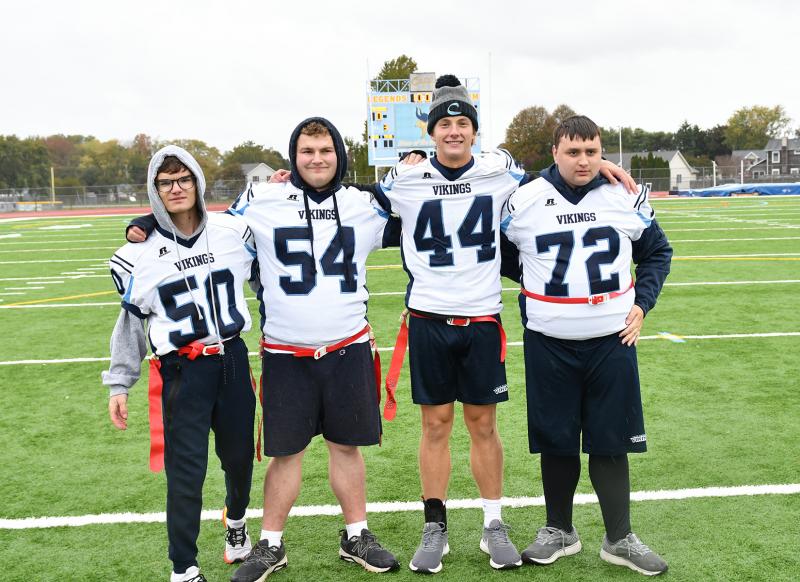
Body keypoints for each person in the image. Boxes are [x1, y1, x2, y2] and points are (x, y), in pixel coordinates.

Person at [374, 76, 638, 574]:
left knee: (484, 425)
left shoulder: (501, 172)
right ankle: (435, 527)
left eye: (463, 123)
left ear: (475, 132)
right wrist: (287, 182)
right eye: (444, 124)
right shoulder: (404, 179)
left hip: (481, 318)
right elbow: (348, 199)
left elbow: (553, 179)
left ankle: (493, 524)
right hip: (428, 317)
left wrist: (596, 168)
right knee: (435, 425)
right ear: (431, 133)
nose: (454, 131)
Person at [126, 118, 401, 580]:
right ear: (294, 155)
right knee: (285, 453)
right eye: (307, 150)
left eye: (326, 150)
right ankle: (271, 543)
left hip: (347, 346)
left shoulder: (363, 204)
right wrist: (149, 220)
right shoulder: (260, 199)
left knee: (347, 447)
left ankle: (357, 534)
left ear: (340, 155)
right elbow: (203, 224)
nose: (317, 158)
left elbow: (421, 209)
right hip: (285, 353)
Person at [501, 115, 672, 576]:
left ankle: (619, 537)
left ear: (603, 153)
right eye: (573, 152)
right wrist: (540, 286)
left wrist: (642, 303)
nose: (583, 160)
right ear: (554, 153)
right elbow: (500, 253)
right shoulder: (525, 198)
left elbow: (657, 252)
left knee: (611, 440)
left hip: (612, 339)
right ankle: (560, 529)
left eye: (592, 152)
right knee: (557, 440)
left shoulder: (623, 194)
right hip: (549, 342)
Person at [103, 145, 258, 582]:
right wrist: (120, 383)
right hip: (181, 370)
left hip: (230, 359)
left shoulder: (233, 232)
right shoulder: (135, 254)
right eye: (165, 182)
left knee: (239, 458)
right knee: (185, 471)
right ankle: (184, 568)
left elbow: (268, 277)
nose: (176, 188)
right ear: (154, 190)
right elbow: (130, 322)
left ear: (197, 182)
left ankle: (236, 522)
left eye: (183, 178)